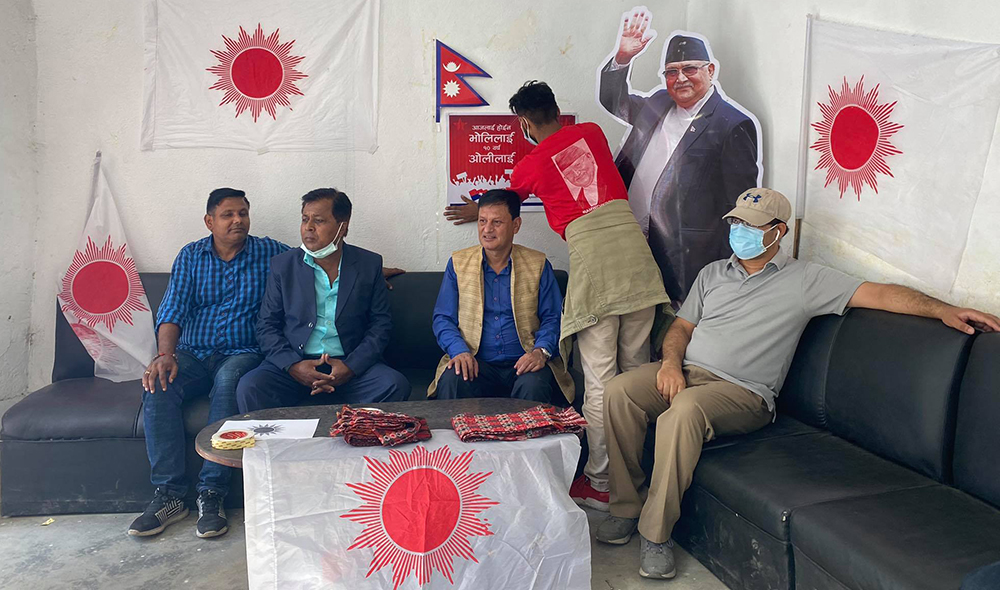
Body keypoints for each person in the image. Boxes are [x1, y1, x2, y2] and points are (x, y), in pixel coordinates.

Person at [596, 188, 1000, 580]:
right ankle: (626, 508)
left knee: (683, 412)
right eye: (736, 223)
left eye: (751, 226)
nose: (740, 232)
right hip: (689, 371)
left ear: (779, 232)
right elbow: (682, 327)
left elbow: (879, 294)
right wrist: (670, 364)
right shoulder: (713, 273)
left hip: (743, 393)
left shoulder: (806, 280)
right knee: (620, 391)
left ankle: (656, 534)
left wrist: (943, 310)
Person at [447, 81, 670, 511]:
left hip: (597, 266)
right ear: (556, 110)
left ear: (524, 123)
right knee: (636, 377)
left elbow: (508, 200)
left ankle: (602, 483)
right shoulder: (592, 134)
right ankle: (638, 479)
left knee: (601, 383)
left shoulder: (528, 166)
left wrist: (478, 210)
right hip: (638, 260)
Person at [130, 188, 288, 539]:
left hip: (242, 351)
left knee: (229, 381)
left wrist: (366, 273)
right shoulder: (191, 256)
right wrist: (165, 356)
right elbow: (172, 310)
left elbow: (314, 263)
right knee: (158, 384)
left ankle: (212, 492)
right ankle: (169, 495)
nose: (238, 220)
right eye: (228, 214)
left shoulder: (270, 251)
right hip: (193, 353)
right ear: (209, 221)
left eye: (243, 213)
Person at [597, 8, 762, 303]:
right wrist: (622, 58)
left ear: (710, 71)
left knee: (673, 320)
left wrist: (728, 272)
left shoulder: (732, 124)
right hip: (631, 235)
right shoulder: (659, 102)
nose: (680, 78)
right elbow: (614, 101)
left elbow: (739, 206)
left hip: (684, 254)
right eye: (672, 72)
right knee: (634, 311)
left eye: (690, 69)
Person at [236, 188, 410, 412]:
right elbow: (266, 325)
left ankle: (357, 433)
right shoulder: (283, 266)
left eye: (318, 220)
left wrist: (351, 366)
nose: (308, 227)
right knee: (251, 387)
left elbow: (380, 325)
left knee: (394, 384)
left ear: (342, 227)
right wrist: (293, 365)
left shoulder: (368, 264)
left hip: (349, 365)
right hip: (296, 364)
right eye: (304, 219)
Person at [429, 189, 573, 403]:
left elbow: (553, 317)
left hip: (524, 362)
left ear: (516, 225)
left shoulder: (538, 264)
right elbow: (443, 318)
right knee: (454, 379)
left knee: (534, 385)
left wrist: (540, 352)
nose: (487, 229)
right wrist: (459, 351)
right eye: (482, 221)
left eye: (497, 222)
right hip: (476, 362)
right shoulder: (458, 264)